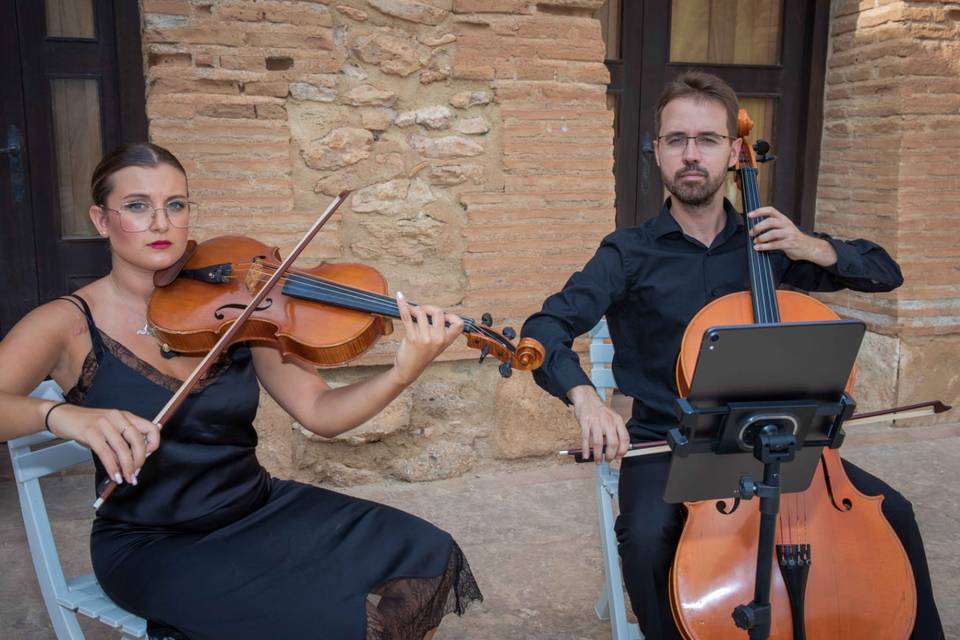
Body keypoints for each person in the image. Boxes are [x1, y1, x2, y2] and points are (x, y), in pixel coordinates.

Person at [0, 143, 482, 640]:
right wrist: (61, 416)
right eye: (138, 206)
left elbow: (319, 411)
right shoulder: (66, 323)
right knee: (333, 623)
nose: (161, 223)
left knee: (427, 552)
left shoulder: (239, 304)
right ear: (101, 220)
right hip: (153, 543)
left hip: (258, 508)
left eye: (176, 205)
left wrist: (401, 373)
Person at [521, 71, 943, 639]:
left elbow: (884, 272)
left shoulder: (770, 244)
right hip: (672, 446)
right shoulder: (628, 253)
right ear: (657, 152)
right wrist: (585, 400)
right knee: (645, 542)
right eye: (676, 140)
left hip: (785, 446)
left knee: (894, 514)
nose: (691, 155)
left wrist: (810, 246)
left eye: (707, 140)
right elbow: (544, 327)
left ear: (735, 151)